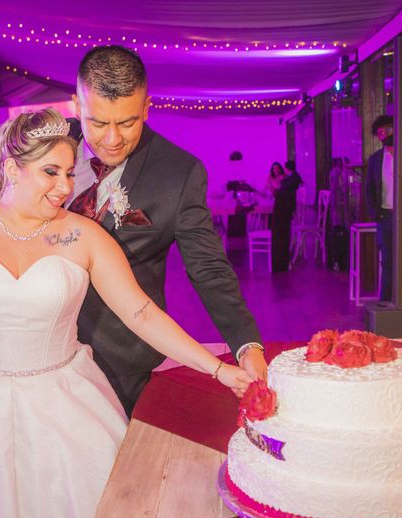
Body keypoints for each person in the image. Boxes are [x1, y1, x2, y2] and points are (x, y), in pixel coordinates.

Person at [0, 108, 252, 518]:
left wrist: (219, 370)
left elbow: (141, 314)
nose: (65, 187)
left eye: (69, 173)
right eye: (50, 172)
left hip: (62, 404)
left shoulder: (84, 236)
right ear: (11, 168)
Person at [65, 46, 267, 415]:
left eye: (127, 122)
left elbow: (209, 268)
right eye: (97, 122)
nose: (112, 139)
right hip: (38, 349)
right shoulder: (41, 148)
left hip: (121, 356)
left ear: (146, 107)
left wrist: (246, 345)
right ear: (76, 106)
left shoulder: (178, 172)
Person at [365, 115, 402, 302]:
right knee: (387, 262)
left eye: (387, 130)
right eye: (380, 133)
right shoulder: (375, 160)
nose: (384, 135)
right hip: (386, 216)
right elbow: (370, 189)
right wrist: (376, 214)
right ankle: (385, 304)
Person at [268, 160, 302, 272]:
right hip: (285, 209)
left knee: (280, 232)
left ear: (286, 169)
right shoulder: (291, 179)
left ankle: (281, 262)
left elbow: (282, 192)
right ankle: (281, 261)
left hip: (285, 211)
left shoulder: (291, 179)